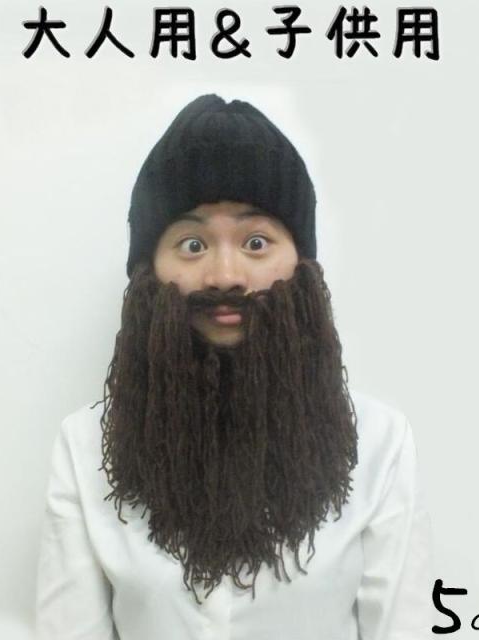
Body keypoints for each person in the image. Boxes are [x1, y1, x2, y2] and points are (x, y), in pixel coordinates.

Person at [35, 94, 434, 639]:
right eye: (192, 244)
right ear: (149, 271)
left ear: (301, 263)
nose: (225, 275)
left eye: (256, 242)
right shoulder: (83, 449)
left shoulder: (382, 447)